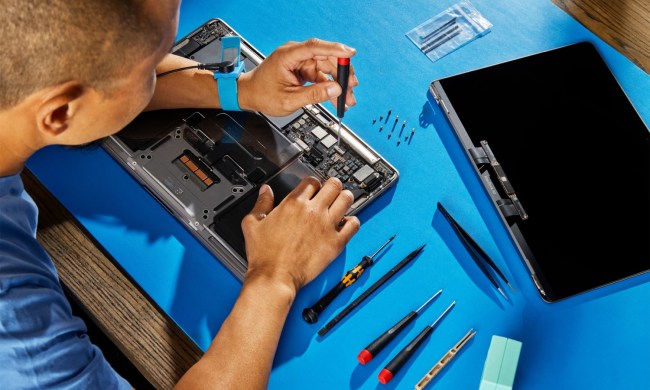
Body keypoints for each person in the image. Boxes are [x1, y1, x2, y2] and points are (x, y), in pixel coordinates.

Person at [0, 1, 360, 388]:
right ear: (58, 113)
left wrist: (240, 89)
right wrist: (275, 277)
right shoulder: (16, 319)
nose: (166, 68)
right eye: (151, 68)